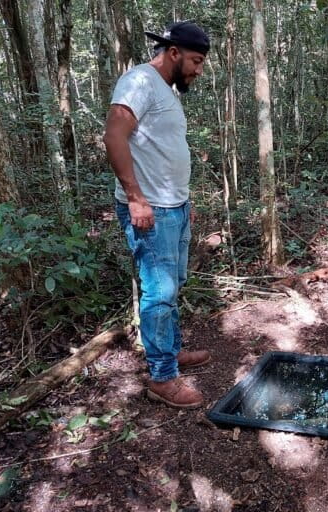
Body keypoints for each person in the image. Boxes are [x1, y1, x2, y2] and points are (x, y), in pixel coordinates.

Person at [104, 21, 211, 408]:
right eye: (196, 61)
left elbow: (163, 149)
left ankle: (170, 350)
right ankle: (162, 377)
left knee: (172, 284)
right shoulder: (140, 81)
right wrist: (135, 198)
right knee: (159, 291)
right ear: (174, 53)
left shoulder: (166, 90)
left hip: (173, 207)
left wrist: (184, 201)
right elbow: (114, 135)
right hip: (151, 210)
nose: (199, 70)